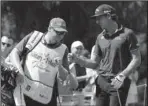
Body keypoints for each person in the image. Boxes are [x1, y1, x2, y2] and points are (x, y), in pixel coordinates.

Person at [68, 4, 141, 106]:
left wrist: (122, 75)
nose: (97, 22)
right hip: (101, 82)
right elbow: (94, 63)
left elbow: (137, 59)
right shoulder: (99, 37)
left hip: (118, 82)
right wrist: (77, 59)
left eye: (99, 18)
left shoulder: (128, 34)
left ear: (109, 16)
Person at [10, 17, 70, 106]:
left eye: (63, 34)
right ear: (49, 28)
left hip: (46, 98)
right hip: (24, 91)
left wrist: (60, 66)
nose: (60, 36)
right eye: (58, 32)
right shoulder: (34, 37)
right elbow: (14, 53)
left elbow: (64, 77)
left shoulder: (64, 49)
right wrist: (19, 71)